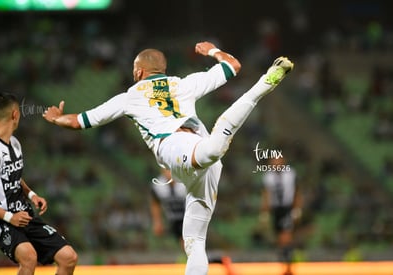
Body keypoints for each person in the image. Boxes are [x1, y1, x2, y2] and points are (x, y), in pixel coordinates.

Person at [43, 41, 293, 275]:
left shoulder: (130, 96)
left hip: (175, 148)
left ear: (139, 71)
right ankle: (261, 87)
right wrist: (212, 50)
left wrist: (56, 119)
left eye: (134, 69)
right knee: (195, 239)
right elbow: (232, 66)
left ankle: (264, 84)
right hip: (201, 152)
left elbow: (79, 121)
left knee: (213, 154)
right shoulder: (183, 84)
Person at [0, 93, 78, 275]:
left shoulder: (15, 143)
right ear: (15, 115)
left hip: (25, 215)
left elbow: (10, 175)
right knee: (29, 257)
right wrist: (10, 217)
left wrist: (32, 194)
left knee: (68, 257)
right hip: (3, 220)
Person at [260, 157, 302, 275]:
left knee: (285, 237)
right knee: (279, 239)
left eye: (277, 161)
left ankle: (289, 267)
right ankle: (285, 265)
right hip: (275, 210)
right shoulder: (268, 176)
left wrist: (297, 209)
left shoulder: (291, 174)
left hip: (287, 208)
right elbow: (266, 195)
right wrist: (265, 213)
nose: (275, 163)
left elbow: (297, 191)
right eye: (273, 161)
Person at [150, 168, 187, 249]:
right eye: (166, 170)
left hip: (189, 217)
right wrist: (157, 222)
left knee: (188, 243)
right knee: (183, 244)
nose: (169, 173)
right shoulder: (158, 185)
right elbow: (155, 203)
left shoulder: (186, 182)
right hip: (173, 220)